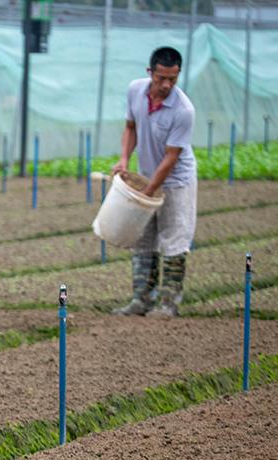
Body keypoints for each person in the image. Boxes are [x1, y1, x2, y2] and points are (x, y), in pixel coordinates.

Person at [112, 46, 197, 318]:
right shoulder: (135, 90)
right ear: (150, 72)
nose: (166, 85)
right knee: (143, 237)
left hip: (175, 182)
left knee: (174, 238)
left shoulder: (183, 110)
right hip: (146, 175)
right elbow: (130, 127)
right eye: (161, 78)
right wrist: (124, 160)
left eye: (173, 79)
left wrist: (147, 192)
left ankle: (168, 304)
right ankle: (141, 300)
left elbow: (171, 158)